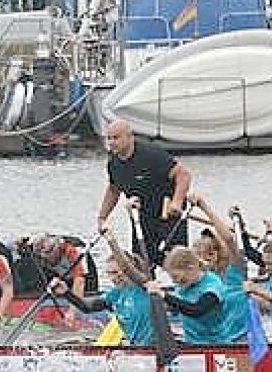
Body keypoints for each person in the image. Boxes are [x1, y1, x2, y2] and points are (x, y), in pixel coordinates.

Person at [96, 119, 192, 267]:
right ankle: (148, 286)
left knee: (177, 261)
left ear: (129, 137)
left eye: (116, 138)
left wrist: (177, 201)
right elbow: (114, 189)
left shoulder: (151, 154)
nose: (111, 142)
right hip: (141, 217)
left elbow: (183, 175)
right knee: (141, 262)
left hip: (168, 214)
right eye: (109, 138)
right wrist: (102, 217)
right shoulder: (113, 163)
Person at [49, 231, 153, 345]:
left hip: (154, 348)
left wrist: (111, 240)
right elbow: (87, 307)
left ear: (127, 270)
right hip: (136, 348)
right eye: (110, 273)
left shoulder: (146, 288)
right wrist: (66, 293)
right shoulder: (115, 295)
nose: (113, 278)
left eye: (116, 272)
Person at [146, 246, 245, 345]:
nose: (175, 281)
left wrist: (164, 295)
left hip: (216, 345)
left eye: (176, 277)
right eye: (172, 278)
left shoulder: (212, 285)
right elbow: (178, 307)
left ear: (191, 268)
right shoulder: (185, 283)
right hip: (192, 343)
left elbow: (196, 310)